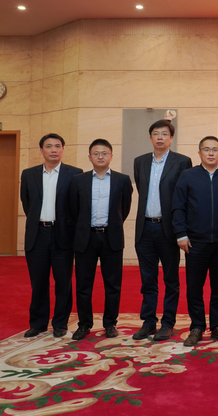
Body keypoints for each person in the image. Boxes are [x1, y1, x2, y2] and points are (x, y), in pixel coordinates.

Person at [172, 136, 218, 347]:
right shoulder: (188, 176)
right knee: (194, 287)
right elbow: (178, 206)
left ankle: (217, 325)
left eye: (215, 149)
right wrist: (181, 234)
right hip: (195, 242)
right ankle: (197, 326)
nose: (211, 153)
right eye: (206, 149)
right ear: (199, 153)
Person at [133, 120, 193, 342]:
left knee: (170, 280)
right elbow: (141, 190)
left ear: (171, 138)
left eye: (164, 134)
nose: (160, 137)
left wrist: (181, 230)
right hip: (145, 227)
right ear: (150, 138)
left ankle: (168, 323)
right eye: (156, 134)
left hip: (168, 229)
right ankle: (148, 322)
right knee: (148, 279)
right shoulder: (140, 162)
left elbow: (184, 197)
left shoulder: (182, 162)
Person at [69, 139, 133, 341]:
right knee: (83, 285)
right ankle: (84, 324)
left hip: (111, 237)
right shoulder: (78, 180)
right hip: (85, 238)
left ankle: (110, 323)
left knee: (112, 285)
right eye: (96, 153)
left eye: (104, 153)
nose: (100, 156)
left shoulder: (122, 180)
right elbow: (73, 209)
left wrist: (112, 225)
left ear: (111, 156)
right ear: (89, 157)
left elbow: (124, 208)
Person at [20, 133, 83, 338]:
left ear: (63, 149)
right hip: (37, 234)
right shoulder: (28, 174)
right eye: (49, 146)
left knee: (63, 281)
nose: (53, 150)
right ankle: (38, 323)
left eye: (57, 146)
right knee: (38, 281)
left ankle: (60, 323)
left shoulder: (75, 174)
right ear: (41, 150)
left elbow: (76, 206)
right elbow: (27, 203)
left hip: (62, 234)